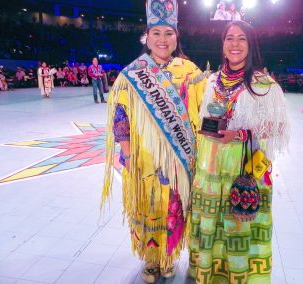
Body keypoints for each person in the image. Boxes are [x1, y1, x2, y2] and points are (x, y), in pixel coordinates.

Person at [101, 0, 206, 283]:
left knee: (173, 209)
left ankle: (169, 256)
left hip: (179, 158)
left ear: (176, 37)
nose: (162, 39)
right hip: (144, 159)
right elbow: (120, 116)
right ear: (146, 36)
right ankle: (150, 259)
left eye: (168, 33)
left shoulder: (191, 72)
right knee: (148, 209)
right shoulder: (132, 74)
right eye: (156, 33)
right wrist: (128, 153)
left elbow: (204, 111)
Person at [188, 20, 290, 284]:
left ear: (250, 44)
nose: (235, 44)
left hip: (242, 169)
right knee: (213, 221)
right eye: (229, 38)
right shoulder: (212, 81)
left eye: (241, 38)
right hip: (211, 166)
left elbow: (275, 127)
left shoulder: (263, 84)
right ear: (222, 45)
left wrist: (240, 134)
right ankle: (209, 274)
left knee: (238, 225)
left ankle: (239, 276)